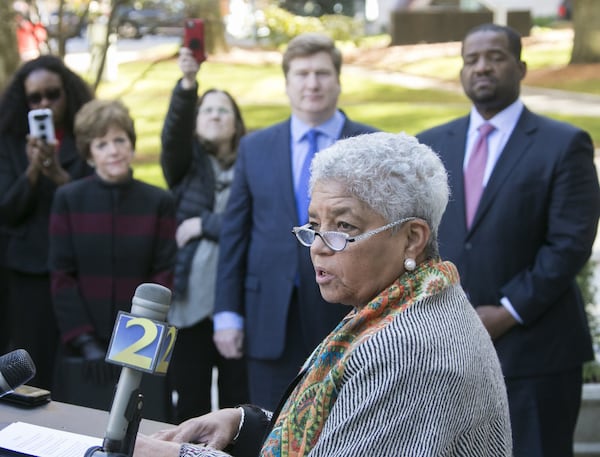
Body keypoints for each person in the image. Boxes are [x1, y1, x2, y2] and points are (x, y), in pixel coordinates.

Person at [132, 132, 513, 457]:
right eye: (314, 224)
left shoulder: (408, 349)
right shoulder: (405, 299)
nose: (318, 246)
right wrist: (244, 424)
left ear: (412, 238)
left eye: (344, 226)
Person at [416, 23, 600, 456]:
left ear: (520, 67)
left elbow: (570, 244)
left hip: (536, 350)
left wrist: (507, 312)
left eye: (495, 57)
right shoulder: (430, 145)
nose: (481, 67)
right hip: (447, 352)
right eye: (471, 59)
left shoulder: (564, 144)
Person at [213, 33, 378, 410]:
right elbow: (235, 236)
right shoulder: (255, 147)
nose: (312, 83)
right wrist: (227, 313)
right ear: (287, 82)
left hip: (347, 313)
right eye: (302, 73)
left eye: (322, 73)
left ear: (338, 80)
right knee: (272, 425)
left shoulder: (370, 145)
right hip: (270, 316)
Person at [48, 99, 177, 417]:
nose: (114, 150)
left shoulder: (158, 201)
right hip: (82, 348)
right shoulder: (68, 199)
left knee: (142, 433)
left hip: (143, 347)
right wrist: (84, 341)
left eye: (120, 140)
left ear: (131, 145)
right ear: (89, 154)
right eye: (102, 144)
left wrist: (134, 343)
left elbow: (164, 272)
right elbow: (61, 275)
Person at [161, 47, 249, 423]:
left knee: (239, 402)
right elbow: (173, 135)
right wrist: (187, 85)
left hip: (239, 303)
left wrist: (203, 225)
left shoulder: (253, 162)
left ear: (236, 123)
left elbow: (253, 226)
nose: (214, 114)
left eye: (223, 109)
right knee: (192, 401)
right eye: (207, 109)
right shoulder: (184, 168)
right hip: (190, 307)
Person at [0, 55, 94, 389]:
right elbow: (7, 210)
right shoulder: (9, 141)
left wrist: (57, 173)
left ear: (67, 93)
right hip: (28, 270)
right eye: (34, 98)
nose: (44, 103)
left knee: (75, 365)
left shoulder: (86, 139)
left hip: (78, 269)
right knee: (32, 364)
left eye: (52, 94)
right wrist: (33, 171)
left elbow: (92, 204)